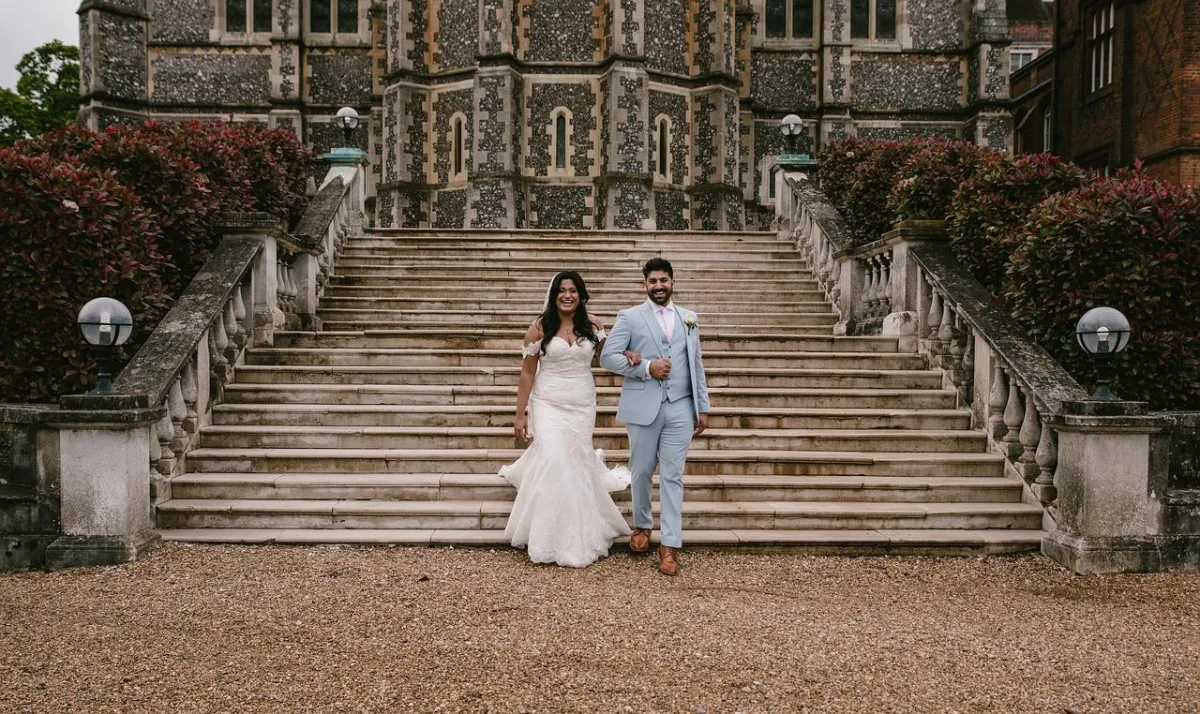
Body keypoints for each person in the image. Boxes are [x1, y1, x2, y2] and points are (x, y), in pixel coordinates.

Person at [500, 270, 632, 567]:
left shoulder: (594, 325)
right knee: (554, 458)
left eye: (573, 290)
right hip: (548, 402)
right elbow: (527, 372)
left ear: (581, 294)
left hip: (582, 403)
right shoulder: (539, 328)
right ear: (554, 294)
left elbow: (607, 356)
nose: (567, 295)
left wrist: (630, 354)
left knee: (573, 460)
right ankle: (546, 536)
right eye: (562, 290)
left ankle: (577, 531)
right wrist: (520, 414)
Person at [599, 257, 710, 576]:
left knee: (674, 475)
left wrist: (703, 406)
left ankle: (670, 545)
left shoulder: (689, 318)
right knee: (642, 469)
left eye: (663, 280)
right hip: (643, 405)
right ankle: (642, 526)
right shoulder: (630, 317)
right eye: (652, 281)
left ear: (672, 282)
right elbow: (607, 357)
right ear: (644, 284)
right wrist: (646, 367)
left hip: (681, 406)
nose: (658, 286)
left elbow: (696, 363)